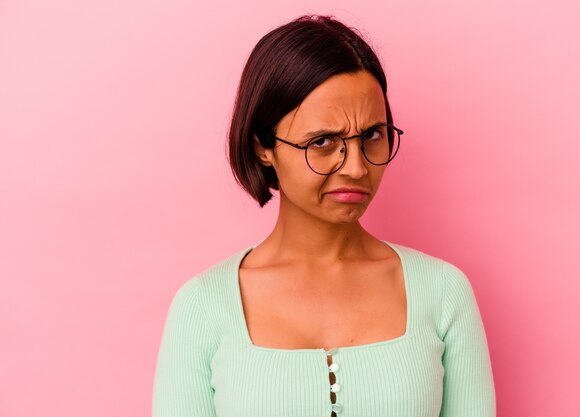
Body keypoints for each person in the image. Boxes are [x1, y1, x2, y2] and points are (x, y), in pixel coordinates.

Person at [152, 14, 496, 417]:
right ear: (263, 145)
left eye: (372, 135)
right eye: (323, 141)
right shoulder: (202, 307)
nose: (355, 167)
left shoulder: (444, 293)